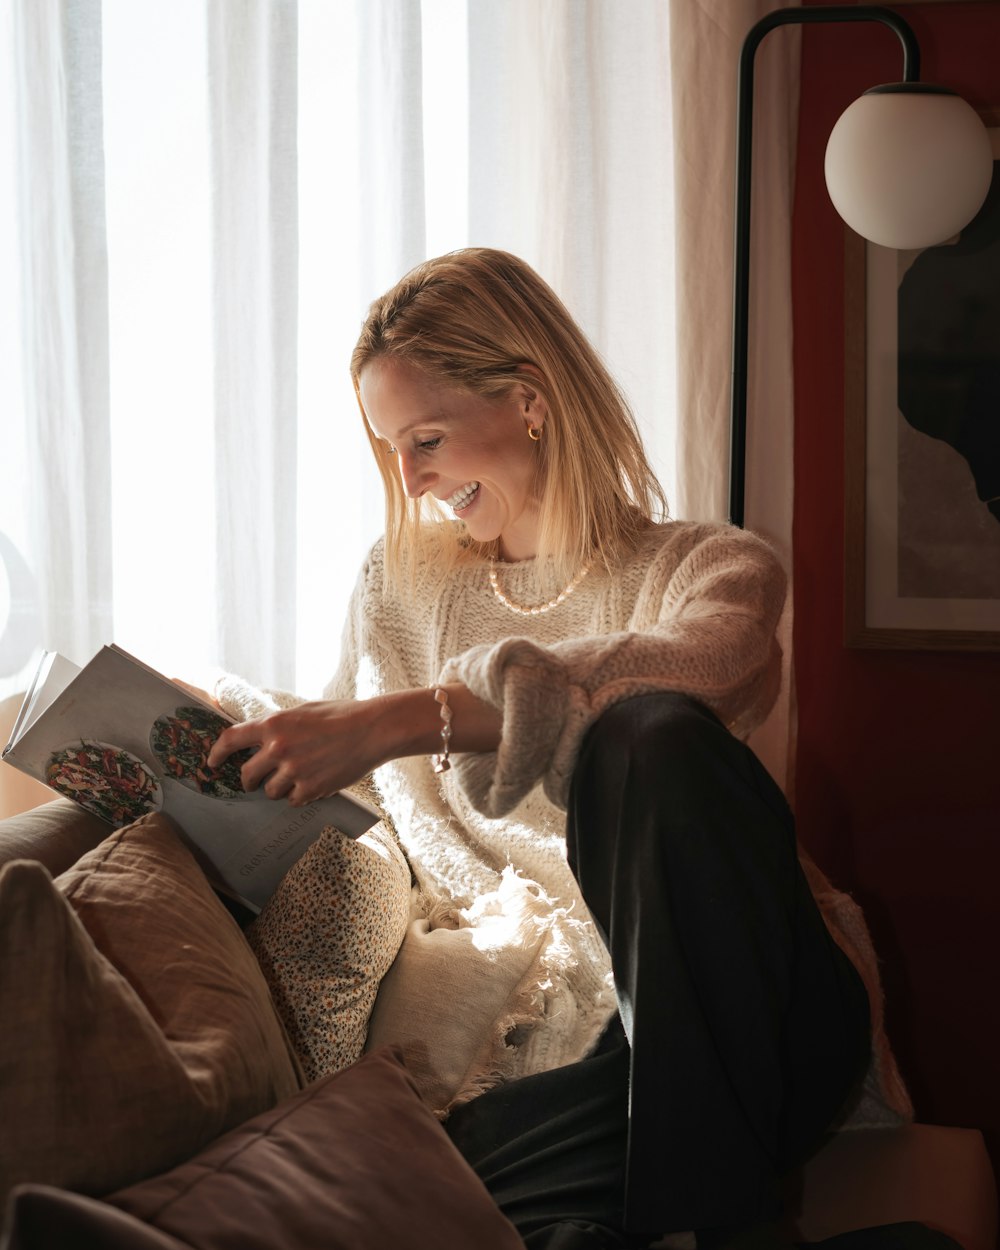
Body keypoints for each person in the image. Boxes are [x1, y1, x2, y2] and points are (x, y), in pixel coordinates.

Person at [207, 248, 910, 1250]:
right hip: (599, 1062)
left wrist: (416, 715)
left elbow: (703, 666)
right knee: (460, 1196)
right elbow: (357, 806)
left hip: (758, 1011)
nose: (410, 480)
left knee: (648, 731)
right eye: (391, 448)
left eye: (429, 439)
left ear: (530, 401)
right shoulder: (393, 590)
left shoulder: (708, 565)